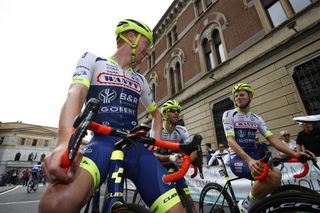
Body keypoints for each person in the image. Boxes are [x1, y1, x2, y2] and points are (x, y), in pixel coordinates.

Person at [39, 19, 190, 213]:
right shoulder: (92, 60)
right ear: (131, 37)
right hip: (102, 144)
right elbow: (75, 94)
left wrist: (155, 138)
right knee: (54, 204)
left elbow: (157, 115)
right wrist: (64, 143)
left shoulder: (141, 79)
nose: (148, 51)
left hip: (135, 147)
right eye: (147, 43)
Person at [223, 83, 315, 212]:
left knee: (276, 175)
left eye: (242, 95)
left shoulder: (256, 118)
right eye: (236, 96)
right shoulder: (229, 114)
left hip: (254, 155)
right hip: (238, 158)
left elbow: (272, 139)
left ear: (250, 96)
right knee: (266, 175)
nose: (238, 98)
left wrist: (295, 154)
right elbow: (230, 140)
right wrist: (249, 160)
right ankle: (244, 206)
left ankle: (260, 206)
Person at [154, 100, 198, 213]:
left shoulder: (182, 130)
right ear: (164, 114)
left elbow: (192, 150)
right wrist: (169, 157)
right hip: (159, 167)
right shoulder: (157, 130)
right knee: (163, 204)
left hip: (175, 168)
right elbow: (152, 154)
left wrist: (185, 162)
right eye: (172, 110)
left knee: (189, 200)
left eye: (178, 111)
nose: (176, 113)